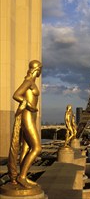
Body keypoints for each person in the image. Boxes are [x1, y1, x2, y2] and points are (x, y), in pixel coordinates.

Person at [7, 60, 42, 188]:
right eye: (40, 69)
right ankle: (22, 176)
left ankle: (24, 177)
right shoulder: (29, 82)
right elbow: (16, 95)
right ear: (37, 69)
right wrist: (30, 105)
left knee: (26, 149)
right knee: (37, 148)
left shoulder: (31, 82)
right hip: (27, 116)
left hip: (31, 117)